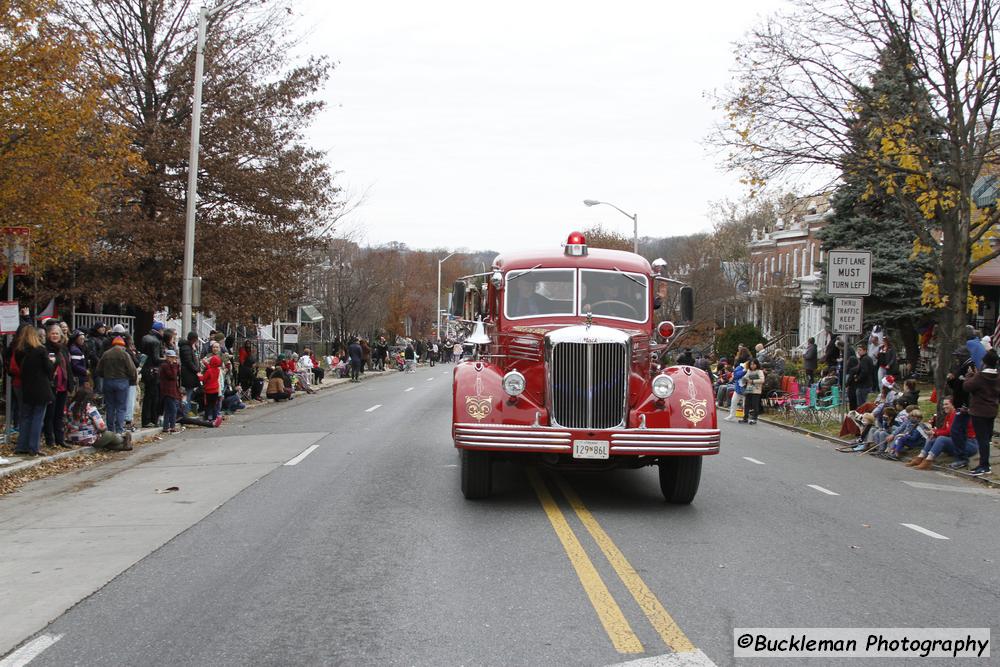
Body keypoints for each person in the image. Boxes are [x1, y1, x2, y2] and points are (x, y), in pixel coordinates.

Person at [13, 326, 53, 456]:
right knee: (37, 418)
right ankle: (33, 447)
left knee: (25, 417)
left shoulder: (19, 352)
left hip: (26, 387)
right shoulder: (41, 350)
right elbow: (49, 370)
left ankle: (22, 446)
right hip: (41, 388)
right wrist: (54, 362)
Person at [906, 398, 977, 470]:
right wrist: (933, 431)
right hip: (959, 443)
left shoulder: (957, 415)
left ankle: (928, 461)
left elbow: (950, 432)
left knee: (941, 439)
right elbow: (944, 430)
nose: (944, 406)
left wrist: (935, 432)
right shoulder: (949, 415)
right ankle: (920, 457)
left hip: (969, 444)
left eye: (946, 404)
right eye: (943, 404)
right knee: (933, 439)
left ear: (953, 405)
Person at [961, 348, 1000, 476]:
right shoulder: (997, 376)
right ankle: (984, 463)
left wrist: (969, 375)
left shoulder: (980, 376)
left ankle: (984, 465)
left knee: (982, 439)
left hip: (979, 411)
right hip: (992, 410)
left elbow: (967, 387)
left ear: (984, 362)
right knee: (987, 438)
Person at [65, 387, 132, 451]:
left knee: (106, 443)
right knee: (109, 435)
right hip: (88, 439)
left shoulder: (69, 406)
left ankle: (124, 446)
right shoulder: (90, 408)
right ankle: (123, 439)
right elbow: (102, 427)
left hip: (71, 438)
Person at [43, 320, 74, 449]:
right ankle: (50, 440)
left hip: (63, 385)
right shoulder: (45, 349)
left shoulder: (63, 349)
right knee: (50, 414)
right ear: (48, 335)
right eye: (53, 333)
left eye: (57, 333)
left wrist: (70, 384)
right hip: (52, 386)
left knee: (60, 414)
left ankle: (60, 439)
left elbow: (68, 367)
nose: (55, 336)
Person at [96, 336, 136, 434]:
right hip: (122, 382)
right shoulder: (125, 354)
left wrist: (105, 376)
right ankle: (119, 430)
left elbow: (98, 370)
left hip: (108, 382)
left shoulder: (106, 354)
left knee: (110, 407)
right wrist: (131, 379)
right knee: (121, 407)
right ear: (122, 345)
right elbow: (132, 370)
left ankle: (110, 430)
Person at [139, 321, 165, 427]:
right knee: (154, 396)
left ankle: (146, 419)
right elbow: (156, 358)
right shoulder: (156, 341)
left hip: (146, 369)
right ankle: (152, 419)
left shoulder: (145, 338)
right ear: (159, 330)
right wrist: (166, 359)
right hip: (153, 371)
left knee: (147, 396)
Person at [159, 349, 182, 433]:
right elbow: (172, 376)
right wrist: (175, 366)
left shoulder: (169, 365)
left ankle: (166, 427)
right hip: (168, 391)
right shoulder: (165, 366)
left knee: (168, 410)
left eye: (174, 357)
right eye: (171, 357)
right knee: (173, 409)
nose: (173, 359)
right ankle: (172, 426)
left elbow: (177, 376)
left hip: (171, 390)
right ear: (167, 357)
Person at [179, 332, 201, 413]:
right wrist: (196, 369)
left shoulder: (189, 347)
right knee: (188, 394)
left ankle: (186, 411)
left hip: (189, 374)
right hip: (188, 374)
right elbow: (189, 362)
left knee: (189, 393)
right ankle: (185, 412)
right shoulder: (186, 348)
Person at [84, 321, 108, 394]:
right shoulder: (92, 339)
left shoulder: (104, 339)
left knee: (104, 388)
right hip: (96, 366)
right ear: (97, 328)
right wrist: (100, 362)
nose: (103, 329)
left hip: (105, 366)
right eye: (101, 327)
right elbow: (92, 353)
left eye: (104, 327)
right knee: (99, 388)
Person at [200, 354, 223, 426]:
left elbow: (203, 379)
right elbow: (211, 368)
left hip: (208, 390)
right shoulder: (217, 370)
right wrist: (206, 363)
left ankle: (207, 418)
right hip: (215, 390)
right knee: (214, 405)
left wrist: (199, 375)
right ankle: (214, 418)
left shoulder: (208, 371)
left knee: (207, 405)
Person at [742, 358, 765, 424]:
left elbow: (762, 380)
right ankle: (745, 418)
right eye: (751, 364)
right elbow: (745, 377)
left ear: (757, 364)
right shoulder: (749, 371)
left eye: (754, 364)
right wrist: (744, 379)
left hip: (756, 390)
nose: (752, 366)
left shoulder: (759, 371)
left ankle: (754, 418)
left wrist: (752, 381)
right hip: (749, 389)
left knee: (755, 404)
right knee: (746, 404)